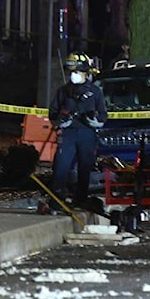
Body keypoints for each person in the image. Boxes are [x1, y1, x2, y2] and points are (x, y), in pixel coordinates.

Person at [48, 52, 108, 208]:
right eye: (72, 72)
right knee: (61, 166)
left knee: (85, 168)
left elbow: (103, 115)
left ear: (85, 73)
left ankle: (80, 199)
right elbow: (53, 113)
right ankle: (56, 200)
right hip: (68, 135)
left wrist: (96, 122)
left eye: (76, 72)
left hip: (87, 134)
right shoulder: (63, 91)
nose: (73, 75)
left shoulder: (95, 92)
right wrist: (60, 122)